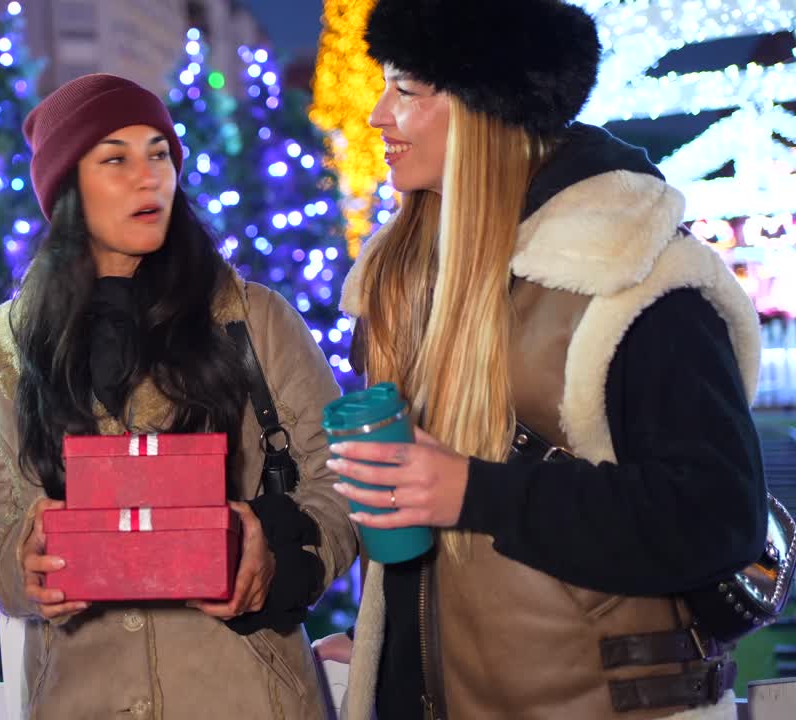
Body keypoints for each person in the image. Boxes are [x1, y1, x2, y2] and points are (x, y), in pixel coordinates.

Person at [328, 1, 767, 719]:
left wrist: (477, 492)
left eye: (406, 89)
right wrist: (385, 651)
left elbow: (717, 519)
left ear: (484, 108)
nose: (378, 115)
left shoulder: (634, 273)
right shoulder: (406, 278)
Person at [0, 73, 360, 720]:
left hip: (246, 695)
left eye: (160, 153)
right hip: (82, 698)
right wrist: (18, 564)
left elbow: (341, 478)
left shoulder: (253, 320)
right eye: (115, 159)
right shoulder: (0, 352)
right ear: (66, 188)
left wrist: (280, 559)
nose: (149, 178)